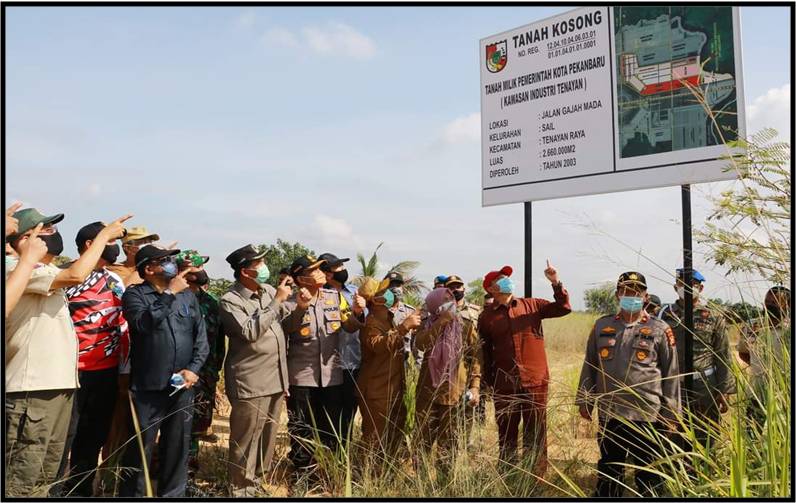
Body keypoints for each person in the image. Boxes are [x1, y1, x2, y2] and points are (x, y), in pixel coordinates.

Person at [4, 208, 129, 497]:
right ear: (24, 239)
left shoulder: (44, 271)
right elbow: (75, 274)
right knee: (22, 476)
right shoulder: (18, 269)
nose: (52, 234)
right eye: (44, 229)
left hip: (58, 385)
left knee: (46, 475)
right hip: (31, 388)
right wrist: (103, 237)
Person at [576, 272, 680, 497]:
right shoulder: (602, 326)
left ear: (645, 297)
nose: (630, 296)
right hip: (611, 413)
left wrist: (671, 413)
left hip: (648, 415)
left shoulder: (660, 329)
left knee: (649, 473)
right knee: (609, 469)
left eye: (636, 292)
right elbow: (590, 365)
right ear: (617, 295)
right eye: (625, 291)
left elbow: (671, 374)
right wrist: (585, 401)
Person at [119, 245, 209, 497]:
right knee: (140, 448)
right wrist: (169, 293)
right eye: (163, 260)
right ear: (148, 269)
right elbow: (143, 324)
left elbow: (200, 339)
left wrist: (193, 369)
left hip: (182, 387)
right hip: (148, 387)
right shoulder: (135, 295)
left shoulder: (187, 296)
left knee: (177, 447)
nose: (171, 263)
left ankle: (172, 495)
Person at [219, 244, 305, 496]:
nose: (264, 267)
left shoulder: (267, 291)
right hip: (250, 380)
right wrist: (278, 300)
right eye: (259, 264)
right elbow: (250, 332)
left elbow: (284, 327)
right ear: (246, 271)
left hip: (276, 378)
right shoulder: (230, 300)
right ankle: (240, 488)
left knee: (267, 437)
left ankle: (255, 483)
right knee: (246, 439)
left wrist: (299, 308)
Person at [54, 222, 130, 497]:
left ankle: (81, 489)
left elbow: (122, 324)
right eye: (108, 240)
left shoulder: (114, 280)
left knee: (93, 436)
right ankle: (54, 490)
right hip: (70, 371)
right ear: (90, 244)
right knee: (64, 437)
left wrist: (123, 367)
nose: (115, 247)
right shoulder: (65, 277)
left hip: (106, 371)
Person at [478, 260, 571, 476]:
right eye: (501, 278)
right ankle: (508, 477)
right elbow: (485, 353)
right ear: (491, 288)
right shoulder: (487, 317)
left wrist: (555, 282)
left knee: (535, 433)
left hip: (535, 382)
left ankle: (535, 480)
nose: (507, 281)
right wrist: (489, 383)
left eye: (507, 277)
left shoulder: (532, 305)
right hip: (504, 385)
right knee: (506, 435)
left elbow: (563, 308)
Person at [282, 255, 364, 476]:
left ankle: (326, 471)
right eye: (314, 271)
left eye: (320, 269)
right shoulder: (289, 301)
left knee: (329, 426)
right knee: (301, 427)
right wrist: (301, 308)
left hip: (331, 375)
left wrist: (357, 313)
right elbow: (286, 330)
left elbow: (347, 327)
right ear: (301, 278)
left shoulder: (335, 297)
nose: (321, 273)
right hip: (302, 376)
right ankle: (302, 473)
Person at [659, 268, 735, 450]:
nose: (686, 288)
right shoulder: (665, 314)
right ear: (675, 287)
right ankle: (676, 474)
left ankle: (704, 473)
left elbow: (723, 354)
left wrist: (724, 390)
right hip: (673, 385)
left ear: (700, 288)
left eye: (692, 285)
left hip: (704, 385)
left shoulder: (713, 316)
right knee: (672, 432)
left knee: (705, 433)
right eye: (682, 284)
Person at [413, 277, 482, 475]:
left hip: (454, 392)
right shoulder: (426, 323)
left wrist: (475, 386)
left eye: (451, 299)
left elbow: (476, 356)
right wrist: (440, 323)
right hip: (427, 393)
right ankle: (421, 481)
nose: (449, 303)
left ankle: (445, 481)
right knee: (422, 440)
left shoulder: (465, 324)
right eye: (444, 300)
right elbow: (421, 344)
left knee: (449, 442)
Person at [174, 249, 226, 479]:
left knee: (198, 424)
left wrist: (215, 373)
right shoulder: (173, 298)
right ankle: (172, 472)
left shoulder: (211, 302)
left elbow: (218, 342)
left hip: (206, 375)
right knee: (177, 423)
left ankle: (190, 471)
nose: (202, 272)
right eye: (197, 268)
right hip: (180, 374)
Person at [357, 278, 421, 458]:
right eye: (383, 291)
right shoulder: (372, 322)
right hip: (377, 390)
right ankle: (369, 478)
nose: (390, 293)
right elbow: (378, 345)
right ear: (376, 299)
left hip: (393, 387)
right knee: (375, 439)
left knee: (394, 436)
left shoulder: (388, 318)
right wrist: (403, 328)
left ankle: (387, 474)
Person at [319, 252, 366, 449]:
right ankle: (327, 455)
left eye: (341, 266)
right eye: (337, 268)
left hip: (354, 362)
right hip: (329, 364)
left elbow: (366, 322)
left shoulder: (355, 292)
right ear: (327, 274)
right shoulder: (319, 295)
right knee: (328, 414)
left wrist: (360, 310)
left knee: (348, 414)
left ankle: (342, 457)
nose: (342, 271)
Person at [737, 286, 791, 432]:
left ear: (788, 306)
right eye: (767, 302)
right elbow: (743, 352)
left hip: (784, 396)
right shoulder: (753, 326)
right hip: (756, 395)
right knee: (753, 440)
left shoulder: (789, 330)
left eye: (774, 303)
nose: (769, 306)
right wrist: (761, 368)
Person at [384, 272, 419, 365]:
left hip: (404, 363)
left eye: (398, 285)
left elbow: (415, 343)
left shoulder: (410, 312)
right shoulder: (378, 311)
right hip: (382, 363)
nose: (395, 288)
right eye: (391, 285)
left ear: (402, 287)